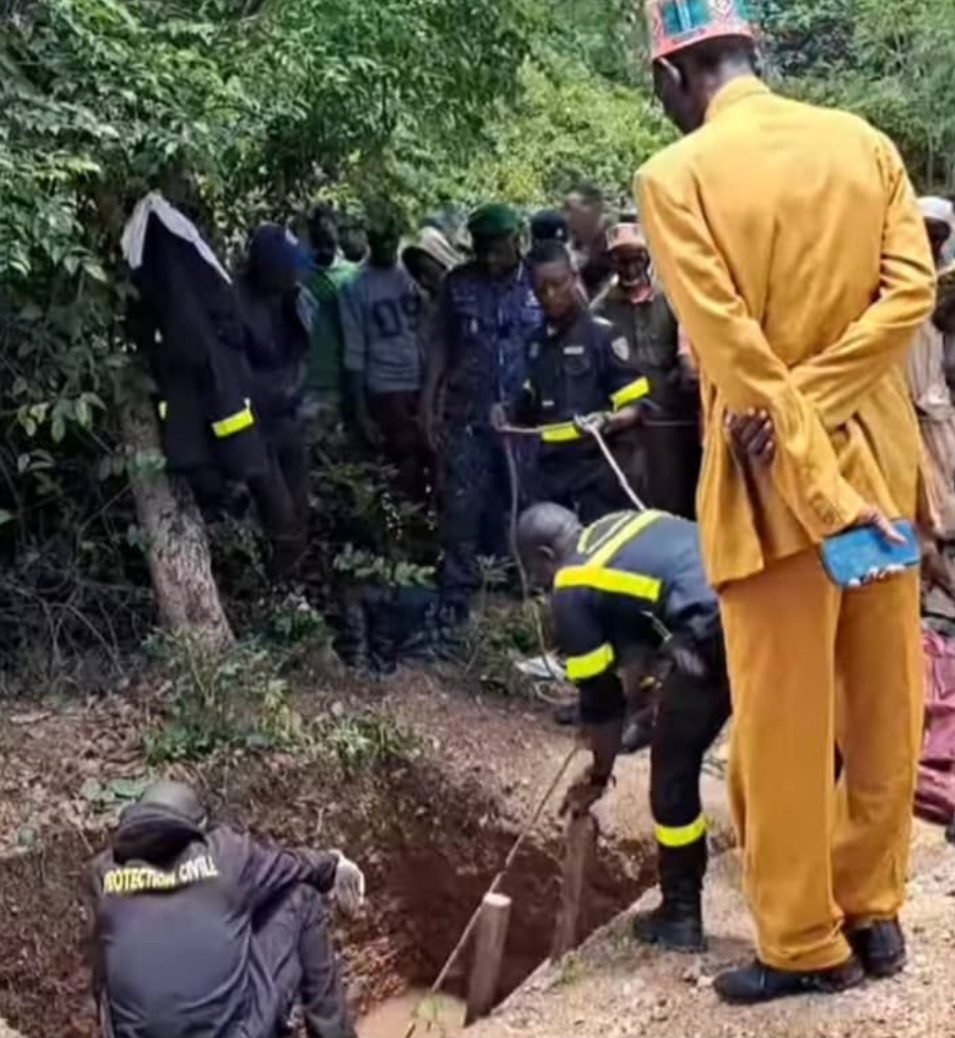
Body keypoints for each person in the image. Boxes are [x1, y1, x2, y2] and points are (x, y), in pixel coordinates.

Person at [636, 0, 936, 1004]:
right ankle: (874, 907)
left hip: (774, 491)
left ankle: (807, 943)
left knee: (782, 725)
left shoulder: (672, 178)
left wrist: (805, 459)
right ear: (748, 50)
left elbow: (728, 349)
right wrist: (838, 436)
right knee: (884, 703)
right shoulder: (863, 145)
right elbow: (910, 297)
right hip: (881, 480)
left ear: (671, 77)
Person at [517, 503, 730, 951]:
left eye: (534, 574)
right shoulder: (625, 525)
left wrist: (598, 774)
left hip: (712, 633)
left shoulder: (571, 583)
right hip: (751, 599)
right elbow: (636, 644)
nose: (540, 586)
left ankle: (681, 916)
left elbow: (601, 704)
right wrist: (647, 694)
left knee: (672, 772)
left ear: (543, 554)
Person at [88, 780, 363, 1038]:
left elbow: (103, 980)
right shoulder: (226, 854)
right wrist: (334, 864)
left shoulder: (104, 873)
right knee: (301, 897)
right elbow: (293, 867)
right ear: (201, 826)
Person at [420, 202, 542, 620]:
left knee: (519, 500)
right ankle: (458, 591)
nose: (489, 257)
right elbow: (439, 344)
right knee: (461, 503)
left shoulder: (541, 282)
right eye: (481, 248)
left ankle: (519, 588)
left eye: (497, 247)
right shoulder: (458, 284)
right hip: (466, 414)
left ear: (516, 240)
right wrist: (428, 405)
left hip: (524, 419)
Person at [500, 240, 650, 522]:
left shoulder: (602, 335)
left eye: (558, 284)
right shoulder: (535, 343)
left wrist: (606, 420)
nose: (550, 295)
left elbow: (636, 406)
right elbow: (529, 405)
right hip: (550, 475)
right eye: (540, 288)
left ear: (573, 278)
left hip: (596, 474)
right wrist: (506, 414)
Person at [593, 223, 701, 518]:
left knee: (681, 498)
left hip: (674, 424)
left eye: (635, 259)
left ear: (648, 258)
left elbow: (691, 357)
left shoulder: (672, 299)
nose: (629, 268)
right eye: (621, 260)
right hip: (629, 431)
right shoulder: (601, 311)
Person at [236, 224, 312, 576]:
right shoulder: (234, 300)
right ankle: (277, 594)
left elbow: (306, 352)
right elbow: (229, 373)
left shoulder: (293, 297)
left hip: (290, 420)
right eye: (286, 268)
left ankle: (291, 588)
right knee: (279, 517)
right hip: (256, 426)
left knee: (299, 512)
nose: (293, 273)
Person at [341, 203, 429, 500]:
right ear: (369, 240)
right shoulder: (356, 286)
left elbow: (427, 329)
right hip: (385, 384)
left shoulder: (411, 276)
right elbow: (354, 349)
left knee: (429, 455)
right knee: (402, 462)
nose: (386, 246)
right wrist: (360, 409)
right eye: (379, 240)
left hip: (420, 381)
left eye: (391, 239)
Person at [908, 198, 955, 612]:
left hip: (936, 409)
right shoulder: (897, 286)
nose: (931, 242)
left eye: (938, 235)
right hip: (912, 412)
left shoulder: (944, 288)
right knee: (926, 520)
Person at [303, 205, 359, 427]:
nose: (324, 249)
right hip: (307, 382)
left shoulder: (353, 277)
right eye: (318, 242)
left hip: (343, 381)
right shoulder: (299, 277)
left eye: (329, 242)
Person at [564, 181, 613, 299]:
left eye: (569, 209)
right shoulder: (573, 246)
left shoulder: (616, 241)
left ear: (595, 208)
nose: (566, 217)